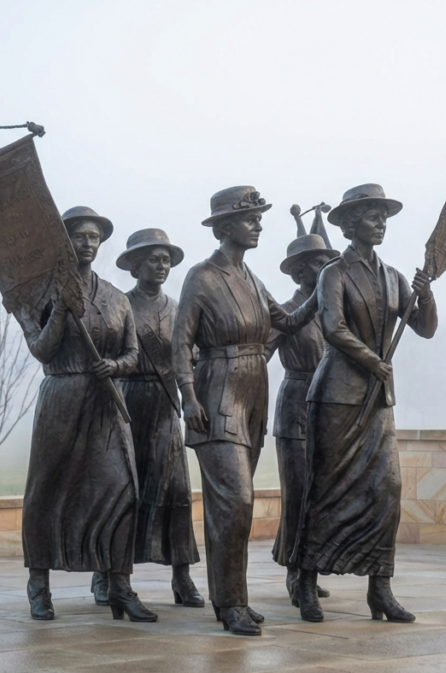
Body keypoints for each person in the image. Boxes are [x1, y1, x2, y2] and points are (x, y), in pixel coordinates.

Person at [172, 186, 318, 636]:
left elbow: (288, 322)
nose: (258, 224)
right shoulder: (202, 276)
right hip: (216, 392)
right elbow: (180, 343)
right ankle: (231, 602)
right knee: (235, 501)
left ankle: (232, 598)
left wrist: (324, 283)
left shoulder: (253, 279)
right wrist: (189, 397)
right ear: (223, 227)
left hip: (253, 394)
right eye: (249, 217)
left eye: (259, 217)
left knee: (233, 506)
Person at [293, 184, 437, 623]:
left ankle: (381, 587)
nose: (381, 222)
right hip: (337, 395)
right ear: (352, 224)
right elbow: (334, 327)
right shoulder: (333, 273)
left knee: (386, 491)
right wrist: (374, 361)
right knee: (325, 489)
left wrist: (425, 293)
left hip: (377, 402)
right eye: (373, 216)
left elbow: (425, 329)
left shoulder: (394, 277)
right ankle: (305, 581)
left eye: (384, 216)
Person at [17, 205, 156, 623]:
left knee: (121, 489)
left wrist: (113, 367)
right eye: (80, 236)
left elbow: (132, 353)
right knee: (47, 490)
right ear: (64, 240)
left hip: (105, 400)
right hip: (62, 396)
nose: (88, 243)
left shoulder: (115, 297)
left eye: (95, 237)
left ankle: (119, 586)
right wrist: (60, 309)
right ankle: (39, 585)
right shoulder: (40, 292)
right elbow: (40, 349)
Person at [115, 228, 204, 608]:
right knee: (123, 492)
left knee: (177, 491)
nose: (162, 265)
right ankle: (111, 575)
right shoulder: (121, 305)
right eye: (153, 258)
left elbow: (188, 354)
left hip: (166, 405)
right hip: (129, 403)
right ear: (136, 266)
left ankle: (182, 576)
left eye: (166, 259)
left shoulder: (179, 307)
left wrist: (190, 395)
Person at [266, 234, 338, 605]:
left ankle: (310, 565)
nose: (323, 266)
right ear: (298, 271)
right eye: (314, 262)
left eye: (326, 260)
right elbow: (258, 354)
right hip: (295, 406)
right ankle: (295, 573)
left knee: (321, 496)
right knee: (297, 495)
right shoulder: (284, 312)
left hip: (327, 408)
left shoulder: (331, 311)